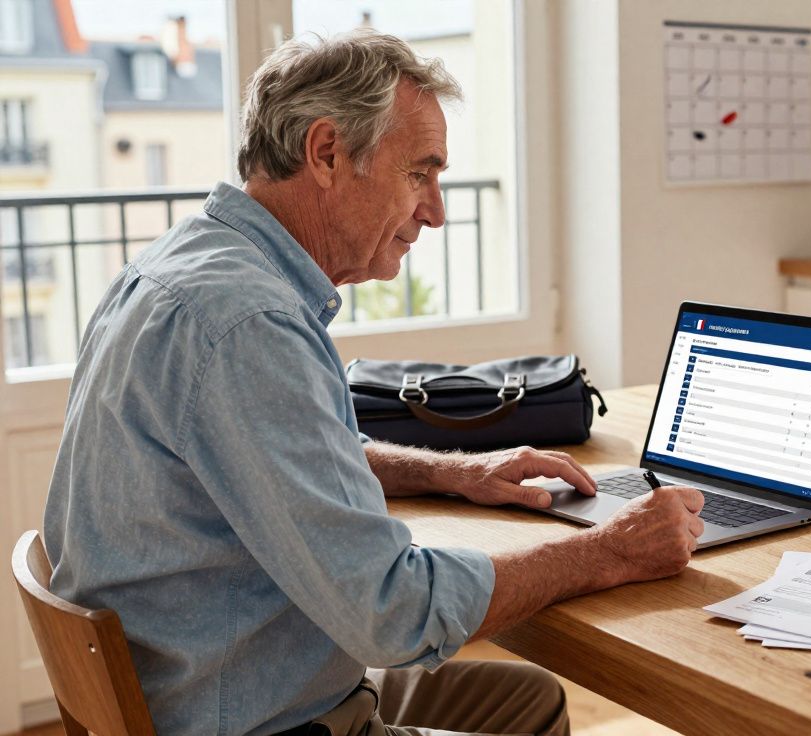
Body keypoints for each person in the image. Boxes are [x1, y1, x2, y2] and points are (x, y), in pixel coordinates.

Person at [42, 29, 704, 736]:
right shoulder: (249, 323)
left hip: (212, 687)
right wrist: (609, 550)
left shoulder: (176, 268)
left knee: (527, 701)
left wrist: (455, 472)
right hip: (261, 719)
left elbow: (286, 458)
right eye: (419, 173)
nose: (437, 211)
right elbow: (395, 611)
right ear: (327, 152)